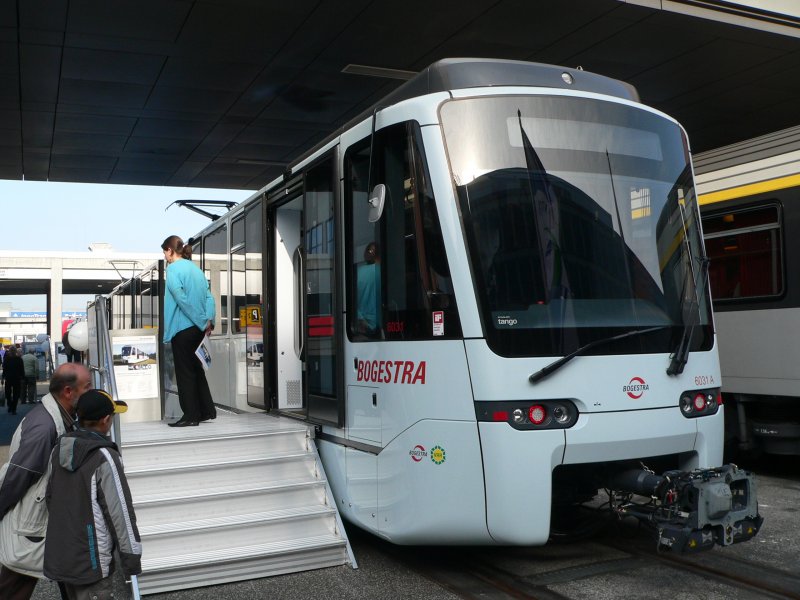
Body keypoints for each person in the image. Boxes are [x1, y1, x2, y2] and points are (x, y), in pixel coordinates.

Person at [0, 363, 91, 600]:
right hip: (33, 520)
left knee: (62, 575)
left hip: (45, 518)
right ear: (68, 392)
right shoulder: (45, 427)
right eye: (87, 386)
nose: (91, 391)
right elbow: (18, 474)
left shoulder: (60, 416)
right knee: (17, 580)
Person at [44, 389, 141, 600]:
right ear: (106, 420)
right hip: (91, 562)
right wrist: (131, 558)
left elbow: (50, 498)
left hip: (62, 556)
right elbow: (120, 513)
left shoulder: (59, 449)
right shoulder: (104, 457)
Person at [161, 235, 216, 427]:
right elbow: (209, 298)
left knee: (185, 372)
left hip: (182, 328)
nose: (165, 256)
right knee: (196, 370)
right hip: (199, 329)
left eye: (164, 251)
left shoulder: (173, 269)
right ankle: (205, 411)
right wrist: (208, 321)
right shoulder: (196, 269)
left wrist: (201, 320)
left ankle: (191, 416)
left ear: (170, 250)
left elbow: (181, 299)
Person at [356, 242, 381, 336]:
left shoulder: (357, 273)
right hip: (381, 325)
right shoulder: (385, 271)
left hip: (362, 326)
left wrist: (361, 319)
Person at [2, 347, 24, 416]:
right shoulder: (19, 359)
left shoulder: (7, 359)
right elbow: (22, 370)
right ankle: (13, 408)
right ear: (15, 351)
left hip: (9, 379)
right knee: (16, 394)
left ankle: (10, 405)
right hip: (16, 379)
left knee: (8, 393)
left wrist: (2, 378)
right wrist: (22, 378)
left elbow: (4, 369)